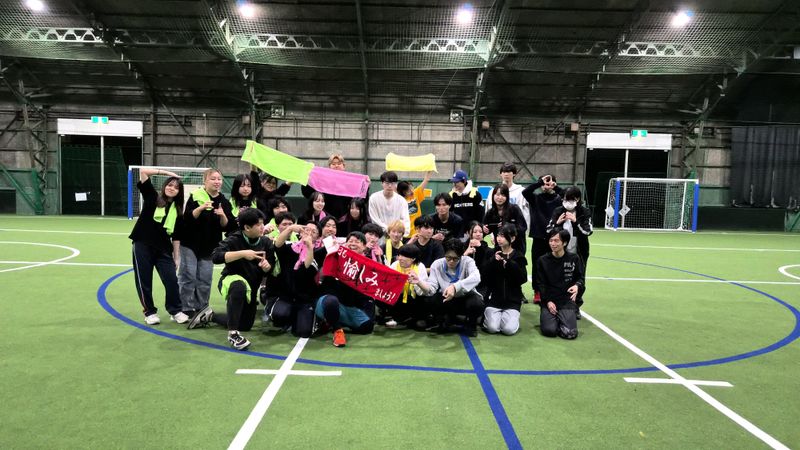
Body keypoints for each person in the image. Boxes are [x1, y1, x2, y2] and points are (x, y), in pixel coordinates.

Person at [188, 208, 275, 351]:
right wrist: (242, 253)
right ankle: (233, 334)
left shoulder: (266, 242)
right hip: (230, 280)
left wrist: (267, 267)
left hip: (252, 287)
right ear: (247, 227)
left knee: (245, 325)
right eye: (258, 224)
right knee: (239, 286)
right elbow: (216, 257)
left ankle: (210, 316)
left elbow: (270, 269)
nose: (262, 227)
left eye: (262, 223)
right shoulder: (234, 239)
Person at [129, 167, 184, 325]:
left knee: (171, 280)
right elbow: (143, 171)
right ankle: (150, 312)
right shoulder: (152, 197)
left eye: (176, 187)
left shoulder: (178, 212)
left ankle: (175, 310)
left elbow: (177, 237)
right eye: (169, 185)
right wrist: (167, 173)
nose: (172, 188)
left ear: (179, 192)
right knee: (144, 281)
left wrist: (176, 257)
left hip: (164, 249)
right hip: (142, 244)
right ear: (164, 186)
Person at [179, 168, 234, 321]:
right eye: (213, 179)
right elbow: (187, 218)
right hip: (190, 243)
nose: (217, 182)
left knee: (205, 279)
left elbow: (227, 226)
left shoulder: (224, 201)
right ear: (205, 181)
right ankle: (185, 308)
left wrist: (222, 215)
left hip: (210, 246)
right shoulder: (196, 196)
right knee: (188, 277)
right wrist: (201, 208)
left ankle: (201, 307)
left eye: (219, 179)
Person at [316, 232, 377, 347]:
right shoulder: (334, 256)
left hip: (349, 306)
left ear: (364, 247)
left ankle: (331, 320)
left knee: (367, 327)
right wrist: (328, 251)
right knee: (331, 302)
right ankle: (337, 329)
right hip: (328, 302)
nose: (353, 244)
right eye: (350, 241)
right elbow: (317, 259)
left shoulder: (368, 265)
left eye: (357, 242)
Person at [267, 222, 321, 338]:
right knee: (278, 316)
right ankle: (289, 316)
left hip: (305, 299)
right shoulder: (291, 246)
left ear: (318, 237)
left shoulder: (318, 252)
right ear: (301, 232)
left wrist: (309, 247)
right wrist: (290, 228)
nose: (309, 233)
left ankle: (301, 316)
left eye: (313, 232)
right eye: (307, 229)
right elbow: (277, 245)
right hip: (286, 296)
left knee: (304, 332)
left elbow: (307, 266)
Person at [426, 238, 484, 337]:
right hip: (447, 299)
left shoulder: (468, 261)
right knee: (430, 299)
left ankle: (471, 324)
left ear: (461, 256)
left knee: (476, 303)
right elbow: (432, 286)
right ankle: (442, 322)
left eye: (455, 258)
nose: (451, 261)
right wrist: (419, 283)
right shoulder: (437, 264)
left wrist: (455, 286)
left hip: (465, 297)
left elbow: (476, 277)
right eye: (448, 257)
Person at [522, 174, 565, 303]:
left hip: (556, 237)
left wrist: (555, 187)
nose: (547, 184)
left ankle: (553, 290)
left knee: (555, 265)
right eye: (544, 182)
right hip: (539, 237)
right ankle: (537, 291)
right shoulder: (535, 198)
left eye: (550, 182)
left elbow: (568, 197)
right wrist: (539, 182)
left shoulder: (559, 199)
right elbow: (525, 192)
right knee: (537, 265)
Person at [537, 229, 585, 339]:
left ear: (564, 243)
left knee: (570, 333)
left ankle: (567, 315)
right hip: (549, 299)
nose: (553, 243)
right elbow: (541, 283)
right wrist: (548, 301)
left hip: (566, 300)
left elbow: (581, 277)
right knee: (549, 331)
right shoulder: (542, 260)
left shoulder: (574, 258)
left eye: (556, 241)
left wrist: (577, 285)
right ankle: (555, 319)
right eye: (551, 240)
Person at [482, 224, 527, 335]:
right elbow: (484, 276)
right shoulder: (491, 253)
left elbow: (522, 279)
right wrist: (492, 261)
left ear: (512, 238)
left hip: (512, 301)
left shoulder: (519, 256)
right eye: (498, 235)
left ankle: (507, 318)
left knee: (508, 330)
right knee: (492, 328)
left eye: (503, 236)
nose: (499, 239)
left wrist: (511, 264)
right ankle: (498, 318)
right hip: (493, 300)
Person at [384, 244, 434, 328]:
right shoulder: (395, 265)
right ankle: (397, 317)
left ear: (413, 258)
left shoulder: (420, 267)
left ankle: (413, 318)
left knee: (420, 325)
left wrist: (417, 282)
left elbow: (425, 292)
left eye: (404, 256)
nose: (400, 258)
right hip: (399, 297)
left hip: (416, 300)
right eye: (399, 255)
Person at [546, 186, 593, 269]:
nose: (567, 202)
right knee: (558, 272)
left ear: (577, 199)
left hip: (579, 250)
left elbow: (587, 231)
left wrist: (575, 222)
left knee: (578, 272)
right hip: (560, 249)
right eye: (564, 200)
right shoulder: (558, 211)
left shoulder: (584, 212)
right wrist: (557, 223)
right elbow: (548, 231)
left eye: (570, 200)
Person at [301, 153, 351, 219]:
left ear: (344, 166)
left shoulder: (350, 182)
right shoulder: (323, 181)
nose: (336, 166)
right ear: (329, 167)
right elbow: (308, 193)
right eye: (333, 164)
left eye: (339, 164)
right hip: (325, 219)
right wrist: (307, 177)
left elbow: (357, 200)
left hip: (345, 219)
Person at [485, 163, 530, 233]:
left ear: (514, 174)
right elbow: (489, 209)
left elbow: (527, 211)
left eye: (509, 172)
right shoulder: (493, 191)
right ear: (500, 174)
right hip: (497, 231)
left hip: (516, 229)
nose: (506, 174)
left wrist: (523, 228)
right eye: (504, 172)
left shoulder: (521, 191)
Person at [483, 184, 527, 253]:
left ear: (507, 197)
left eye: (503, 195)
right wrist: (484, 229)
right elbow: (484, 229)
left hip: (517, 248)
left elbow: (523, 227)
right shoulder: (490, 213)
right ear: (493, 195)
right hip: (499, 249)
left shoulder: (514, 209)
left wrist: (507, 228)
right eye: (497, 195)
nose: (500, 197)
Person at [368, 171, 411, 235]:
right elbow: (374, 219)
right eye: (387, 183)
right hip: (379, 234)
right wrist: (388, 229)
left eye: (393, 183)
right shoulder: (374, 198)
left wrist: (399, 232)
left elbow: (405, 220)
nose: (390, 186)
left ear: (396, 184)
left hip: (396, 235)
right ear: (382, 183)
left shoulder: (401, 200)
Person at [397, 170, 432, 236]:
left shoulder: (416, 194)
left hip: (417, 232)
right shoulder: (399, 201)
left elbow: (426, 180)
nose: (411, 191)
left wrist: (429, 170)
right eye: (408, 190)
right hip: (405, 233)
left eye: (412, 188)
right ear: (403, 192)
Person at [463, 220, 490, 298]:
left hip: (482, 285)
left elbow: (487, 266)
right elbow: (456, 265)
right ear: (468, 233)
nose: (478, 234)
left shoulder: (486, 248)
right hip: (465, 283)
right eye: (475, 232)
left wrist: (480, 247)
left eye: (481, 232)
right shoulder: (463, 246)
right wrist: (466, 253)